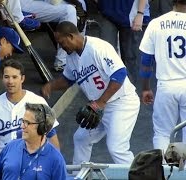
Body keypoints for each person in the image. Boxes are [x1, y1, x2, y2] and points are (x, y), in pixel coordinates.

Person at [41, 21, 140, 165]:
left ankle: (139, 176)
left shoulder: (98, 47)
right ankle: (79, 175)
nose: (61, 47)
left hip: (122, 103)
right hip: (99, 107)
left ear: (71, 36)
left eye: (62, 43)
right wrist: (51, 86)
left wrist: (100, 103)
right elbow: (68, 79)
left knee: (117, 148)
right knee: (81, 138)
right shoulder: (72, 57)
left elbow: (119, 74)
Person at [0, 60, 60, 163]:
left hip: (34, 163)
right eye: (6, 77)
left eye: (14, 77)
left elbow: (51, 135)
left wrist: (56, 164)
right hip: (5, 165)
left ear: (22, 78)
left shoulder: (37, 102)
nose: (10, 81)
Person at [139, 0, 186, 152]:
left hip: (165, 86)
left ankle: (167, 172)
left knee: (163, 133)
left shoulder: (156, 23)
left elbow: (146, 61)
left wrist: (146, 88)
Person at [0, 103, 67, 180]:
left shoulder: (56, 159)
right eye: (23, 121)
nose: (22, 126)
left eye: (27, 123)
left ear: (42, 127)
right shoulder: (10, 147)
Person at [5, 0, 79, 72]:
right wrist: (18, 17)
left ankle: (78, 54)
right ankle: (63, 61)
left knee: (79, 5)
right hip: (21, 4)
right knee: (69, 11)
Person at [97, 0, 151, 83]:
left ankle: (130, 90)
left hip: (130, 14)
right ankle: (111, 90)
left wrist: (140, 13)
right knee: (106, 55)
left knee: (130, 57)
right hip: (107, 11)